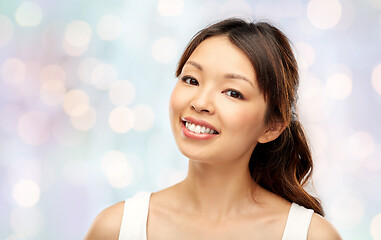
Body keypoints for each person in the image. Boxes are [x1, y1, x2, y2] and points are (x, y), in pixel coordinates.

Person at [85, 18, 342, 240]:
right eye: (191, 80)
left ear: (272, 126)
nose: (200, 103)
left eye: (233, 92)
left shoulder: (311, 235)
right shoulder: (117, 228)